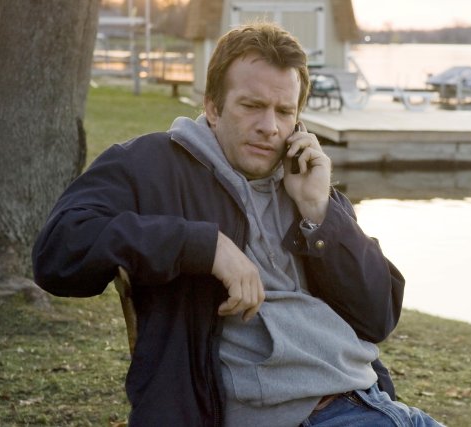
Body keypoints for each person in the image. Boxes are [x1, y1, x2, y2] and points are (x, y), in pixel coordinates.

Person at [32, 23, 443, 427]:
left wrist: (319, 212)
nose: (270, 127)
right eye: (251, 106)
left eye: (284, 112)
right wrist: (204, 246)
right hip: (299, 417)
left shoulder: (304, 183)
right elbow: (58, 251)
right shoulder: (150, 166)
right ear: (213, 107)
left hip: (378, 405)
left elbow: (378, 317)